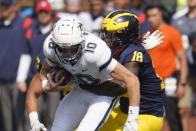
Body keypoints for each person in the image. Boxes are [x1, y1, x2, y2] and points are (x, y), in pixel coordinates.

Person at [27, 17, 140, 131]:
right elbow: (43, 73)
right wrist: (47, 86)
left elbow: (132, 79)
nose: (68, 54)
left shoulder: (95, 52)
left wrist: (132, 118)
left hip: (103, 94)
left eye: (73, 49)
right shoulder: (50, 49)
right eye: (62, 49)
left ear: (82, 42)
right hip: (79, 91)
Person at [94, 9, 164, 131]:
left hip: (145, 114)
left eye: (113, 35)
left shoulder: (133, 55)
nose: (107, 39)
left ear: (125, 35)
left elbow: (122, 85)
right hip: (123, 110)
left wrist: (87, 84)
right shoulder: (120, 50)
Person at [145, 4, 188, 131]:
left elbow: (183, 59)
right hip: (151, 82)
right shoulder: (148, 35)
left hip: (168, 80)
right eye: (149, 16)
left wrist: (182, 83)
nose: (151, 19)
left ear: (161, 16)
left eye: (154, 15)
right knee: (150, 117)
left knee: (173, 116)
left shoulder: (172, 32)